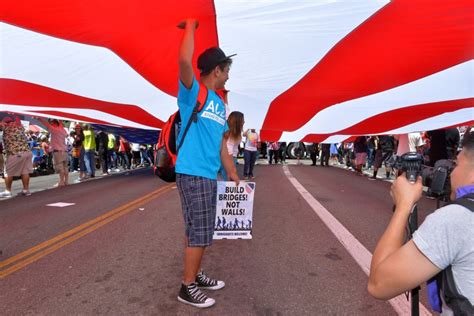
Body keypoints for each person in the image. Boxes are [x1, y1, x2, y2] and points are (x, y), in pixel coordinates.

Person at [368, 130, 474, 314]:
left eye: (456, 164)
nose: (451, 172)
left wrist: (403, 205)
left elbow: (379, 284)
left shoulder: (456, 219)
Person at [175, 18, 239, 308]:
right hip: (193, 172)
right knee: (199, 230)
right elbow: (184, 60)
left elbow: (220, 143)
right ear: (217, 70)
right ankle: (187, 286)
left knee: (199, 229)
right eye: (226, 70)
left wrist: (232, 171)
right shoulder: (194, 93)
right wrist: (190, 28)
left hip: (207, 175)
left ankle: (196, 274)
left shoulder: (219, 102)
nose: (228, 76)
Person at [0, 116, 33, 197]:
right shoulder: (20, 127)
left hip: (16, 153)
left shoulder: (7, 127)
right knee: (25, 172)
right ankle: (26, 190)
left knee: (7, 172)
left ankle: (8, 191)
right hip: (27, 152)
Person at [39, 118, 69, 186]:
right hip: (65, 151)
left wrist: (38, 118)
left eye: (51, 123)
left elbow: (46, 124)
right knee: (65, 167)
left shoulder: (54, 129)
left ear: (54, 123)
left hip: (58, 152)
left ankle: (61, 182)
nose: (50, 125)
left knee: (60, 167)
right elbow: (60, 123)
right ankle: (66, 181)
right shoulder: (62, 129)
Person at [221, 111, 245, 180]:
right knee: (228, 179)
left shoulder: (233, 132)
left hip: (232, 157)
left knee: (228, 179)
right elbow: (229, 151)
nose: (244, 122)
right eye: (242, 120)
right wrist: (232, 168)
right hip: (230, 158)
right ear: (237, 122)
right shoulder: (231, 134)